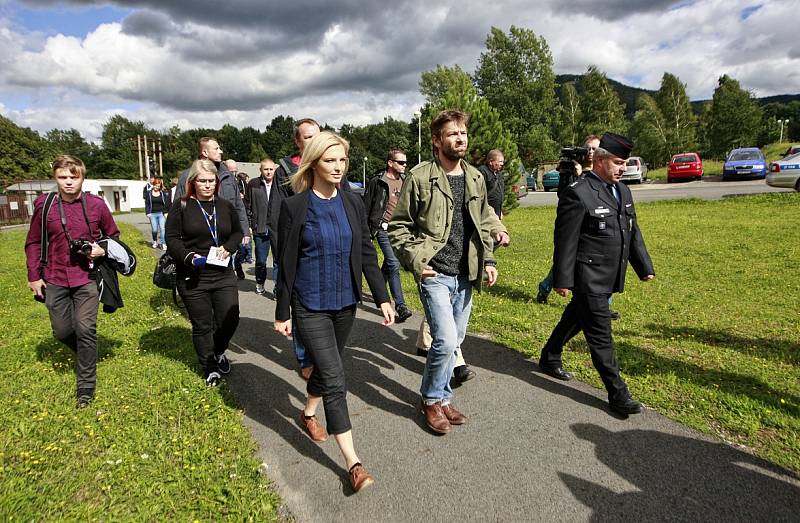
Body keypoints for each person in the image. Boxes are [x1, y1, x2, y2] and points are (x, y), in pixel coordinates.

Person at [273, 131, 395, 493]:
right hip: (309, 306)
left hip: (345, 304)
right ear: (313, 162)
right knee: (336, 377)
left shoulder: (352, 202)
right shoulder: (295, 207)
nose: (338, 167)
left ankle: (307, 413)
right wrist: (283, 312)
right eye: (330, 160)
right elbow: (286, 264)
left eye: (342, 160)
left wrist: (383, 297)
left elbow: (367, 253)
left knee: (327, 373)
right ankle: (354, 463)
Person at [389, 110, 509, 435]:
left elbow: (483, 219)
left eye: (464, 133)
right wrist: (416, 261)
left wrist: (490, 259)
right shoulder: (419, 176)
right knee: (442, 340)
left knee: (455, 339)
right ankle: (430, 400)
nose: (460, 139)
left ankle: (443, 397)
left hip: (466, 273)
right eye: (453, 134)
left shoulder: (475, 177)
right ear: (437, 140)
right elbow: (398, 227)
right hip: (435, 273)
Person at [539, 133, 655, 416]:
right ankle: (618, 393)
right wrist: (563, 280)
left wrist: (644, 267)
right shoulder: (579, 191)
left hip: (611, 273)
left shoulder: (622, 191)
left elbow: (632, 230)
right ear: (601, 160)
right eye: (617, 162)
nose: (622, 168)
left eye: (625, 163)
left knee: (577, 316)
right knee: (601, 335)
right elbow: (565, 239)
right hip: (588, 275)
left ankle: (550, 355)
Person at [25, 155, 121, 408]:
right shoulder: (43, 206)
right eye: (62, 177)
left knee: (86, 329)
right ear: (55, 178)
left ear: (82, 177)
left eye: (73, 177)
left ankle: (85, 388)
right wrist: (34, 276)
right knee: (63, 331)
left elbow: (113, 236)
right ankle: (86, 354)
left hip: (86, 277)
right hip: (55, 277)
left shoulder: (96, 205)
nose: (68, 182)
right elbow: (34, 241)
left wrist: (101, 249)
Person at [166, 159, 243, 387]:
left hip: (222, 273)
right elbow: (171, 239)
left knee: (230, 318)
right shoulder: (181, 206)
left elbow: (237, 233)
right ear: (193, 182)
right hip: (193, 275)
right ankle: (209, 366)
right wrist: (188, 257)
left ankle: (218, 351)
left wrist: (228, 247)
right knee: (202, 325)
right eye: (203, 181)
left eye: (211, 181)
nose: (208, 185)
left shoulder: (225, 206)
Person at [274, 118, 322, 380]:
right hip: (296, 245)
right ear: (297, 141)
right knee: (300, 304)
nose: (312, 141)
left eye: (316, 136)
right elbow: (279, 215)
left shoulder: (330, 164)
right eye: (307, 137)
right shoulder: (285, 169)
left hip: (322, 245)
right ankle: (305, 357)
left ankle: (322, 353)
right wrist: (282, 253)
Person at [536, 135, 600, 304]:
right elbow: (564, 195)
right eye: (588, 148)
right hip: (575, 223)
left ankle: (604, 303)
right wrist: (575, 174)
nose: (591, 152)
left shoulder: (600, 171)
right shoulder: (572, 169)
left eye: (595, 149)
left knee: (598, 262)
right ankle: (545, 286)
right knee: (568, 258)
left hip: (595, 223)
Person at [173, 138, 251, 276]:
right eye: (216, 148)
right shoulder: (187, 176)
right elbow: (178, 209)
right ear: (205, 152)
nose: (220, 151)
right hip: (196, 239)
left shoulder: (227, 175)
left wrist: (244, 230)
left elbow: (238, 205)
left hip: (224, 238)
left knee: (224, 274)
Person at [362, 149, 413, 323]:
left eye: (405, 162)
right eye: (401, 162)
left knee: (388, 265)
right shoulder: (378, 182)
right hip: (382, 228)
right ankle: (400, 305)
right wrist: (366, 232)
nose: (404, 165)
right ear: (390, 163)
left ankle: (379, 290)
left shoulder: (406, 181)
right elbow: (366, 206)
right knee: (393, 262)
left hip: (400, 230)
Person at [248, 157, 283, 295]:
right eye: (266, 169)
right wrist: (251, 225)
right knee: (261, 260)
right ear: (260, 170)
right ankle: (260, 282)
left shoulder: (281, 184)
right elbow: (248, 205)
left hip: (277, 229)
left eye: (271, 169)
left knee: (278, 261)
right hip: (260, 228)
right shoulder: (253, 184)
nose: (269, 172)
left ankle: (277, 288)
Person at [144, 177, 172, 250]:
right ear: (153, 185)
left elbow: (166, 203)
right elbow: (147, 203)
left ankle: (163, 243)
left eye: (158, 186)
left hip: (161, 214)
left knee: (163, 229)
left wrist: (166, 212)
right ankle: (155, 241)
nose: (157, 187)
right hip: (152, 214)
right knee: (154, 230)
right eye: (156, 185)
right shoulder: (149, 193)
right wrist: (147, 212)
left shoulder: (162, 193)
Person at [478, 149, 506, 220]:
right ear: (491, 162)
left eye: (502, 161)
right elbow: (479, 194)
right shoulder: (482, 172)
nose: (502, 164)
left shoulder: (498, 174)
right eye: (500, 161)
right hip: (486, 213)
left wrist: (500, 211)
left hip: (497, 213)